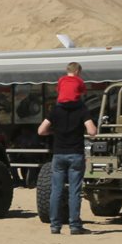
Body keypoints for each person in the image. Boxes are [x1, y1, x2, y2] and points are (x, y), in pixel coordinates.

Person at [38, 93, 98, 235]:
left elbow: (41, 130)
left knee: (56, 190)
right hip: (76, 154)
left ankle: (55, 226)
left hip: (59, 154)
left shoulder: (55, 110)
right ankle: (75, 225)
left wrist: (54, 131)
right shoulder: (82, 110)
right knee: (74, 191)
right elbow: (92, 131)